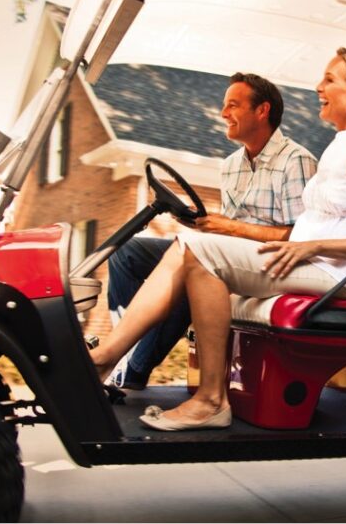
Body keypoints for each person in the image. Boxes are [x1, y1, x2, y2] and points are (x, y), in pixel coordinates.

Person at [89, 47, 346, 430]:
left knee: (197, 252)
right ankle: (125, 364)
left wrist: (312, 245)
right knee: (187, 249)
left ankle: (152, 376)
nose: (318, 87)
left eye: (329, 80)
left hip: (336, 275)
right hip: (307, 263)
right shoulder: (339, 145)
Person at [105, 72, 317, 390]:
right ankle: (127, 349)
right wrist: (199, 224)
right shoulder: (230, 164)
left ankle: (131, 369)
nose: (222, 113)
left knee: (191, 266)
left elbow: (299, 237)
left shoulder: (297, 161)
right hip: (227, 253)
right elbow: (227, 229)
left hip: (273, 263)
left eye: (233, 105)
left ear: (263, 111)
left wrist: (226, 227)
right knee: (127, 252)